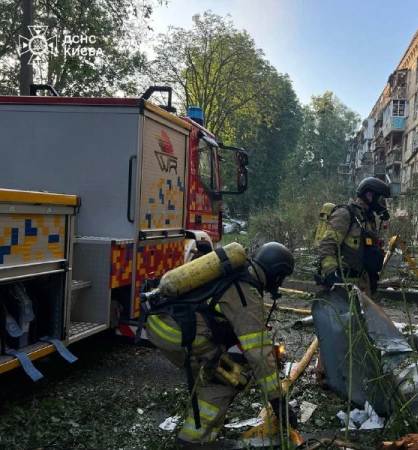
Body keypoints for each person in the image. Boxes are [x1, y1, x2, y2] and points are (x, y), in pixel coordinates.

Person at [145, 242, 298, 445]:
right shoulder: (248, 293)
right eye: (282, 278)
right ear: (276, 273)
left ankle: (207, 424)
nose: (280, 283)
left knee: (215, 370)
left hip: (161, 322)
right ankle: (193, 442)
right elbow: (258, 354)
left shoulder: (237, 272)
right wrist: (278, 401)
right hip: (175, 334)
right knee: (228, 379)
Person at [317, 177, 391, 297]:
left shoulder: (367, 219)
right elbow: (326, 246)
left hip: (363, 284)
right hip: (344, 283)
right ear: (369, 195)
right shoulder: (345, 214)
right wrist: (331, 275)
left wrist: (372, 275)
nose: (382, 205)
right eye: (381, 200)